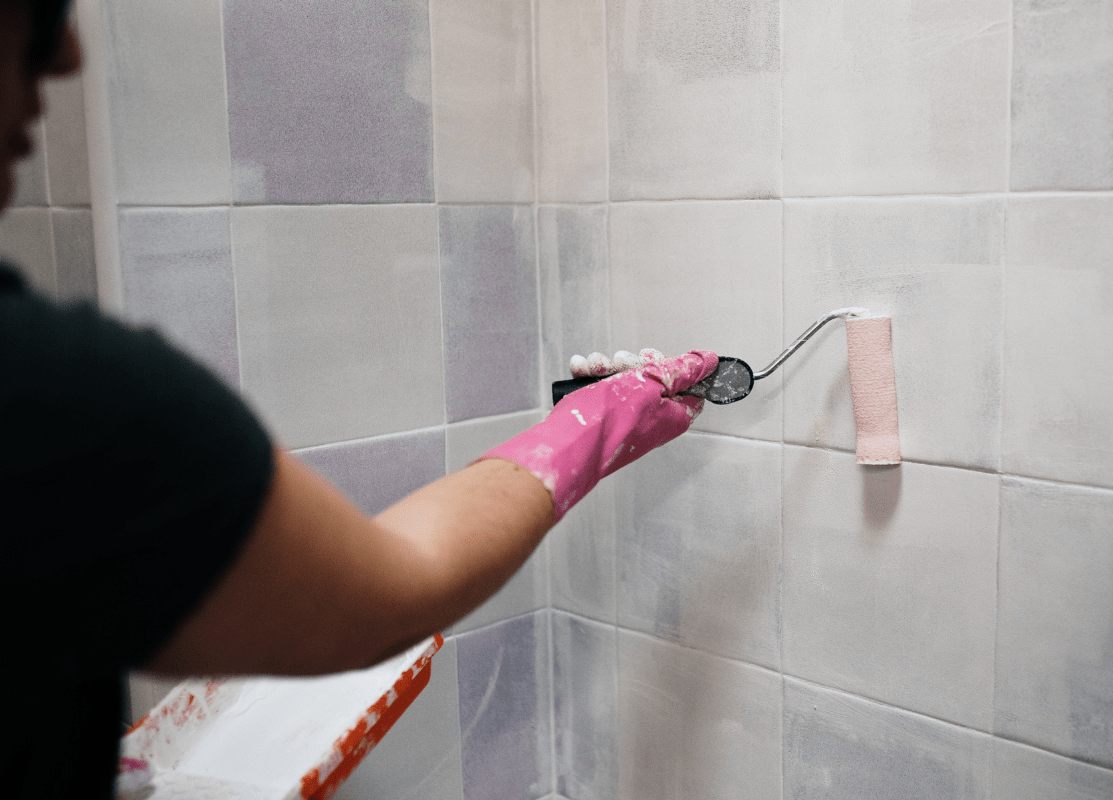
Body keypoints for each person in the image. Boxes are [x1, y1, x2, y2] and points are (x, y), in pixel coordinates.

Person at [0, 1, 717, 797]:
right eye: (32, 11)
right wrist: (596, 424)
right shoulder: (47, 385)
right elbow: (389, 588)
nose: (66, 54)